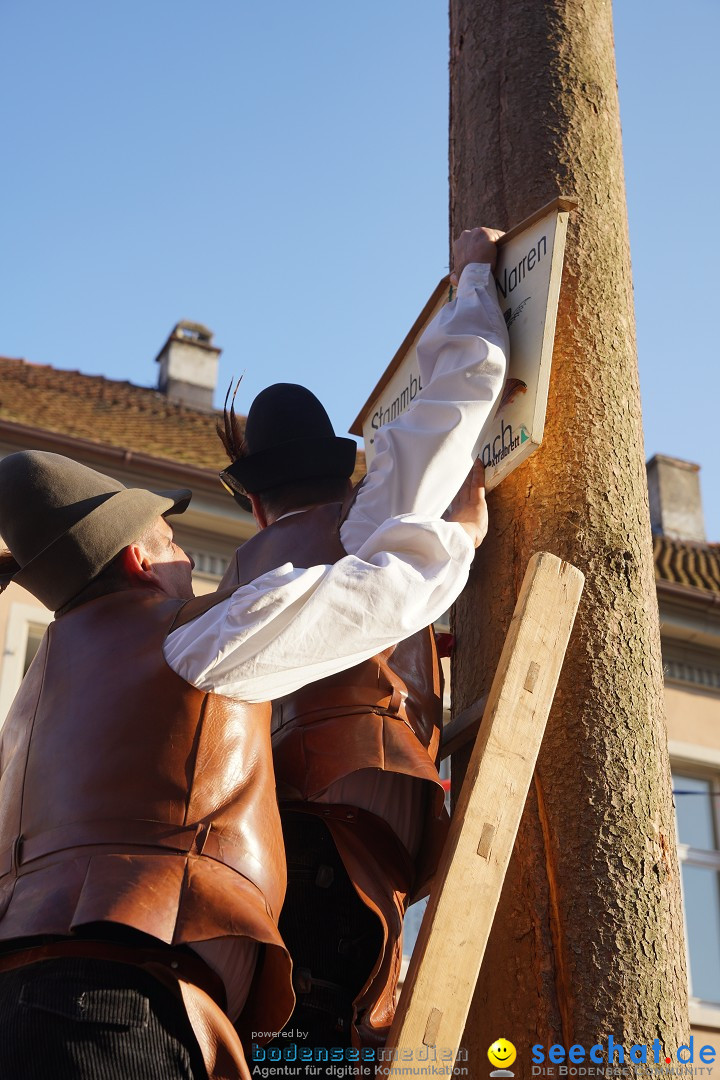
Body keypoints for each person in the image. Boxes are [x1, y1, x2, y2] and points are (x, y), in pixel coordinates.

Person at [0, 412, 490, 1080]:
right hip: (109, 1015)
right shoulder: (190, 637)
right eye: (171, 542)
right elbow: (374, 598)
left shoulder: (34, 698)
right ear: (139, 560)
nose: (195, 569)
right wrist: (455, 538)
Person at [216, 226, 508, 1059]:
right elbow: (457, 393)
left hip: (264, 857)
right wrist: (479, 277)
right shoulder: (375, 518)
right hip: (347, 853)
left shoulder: (236, 584)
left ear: (259, 500)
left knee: (288, 1057)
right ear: (335, 469)